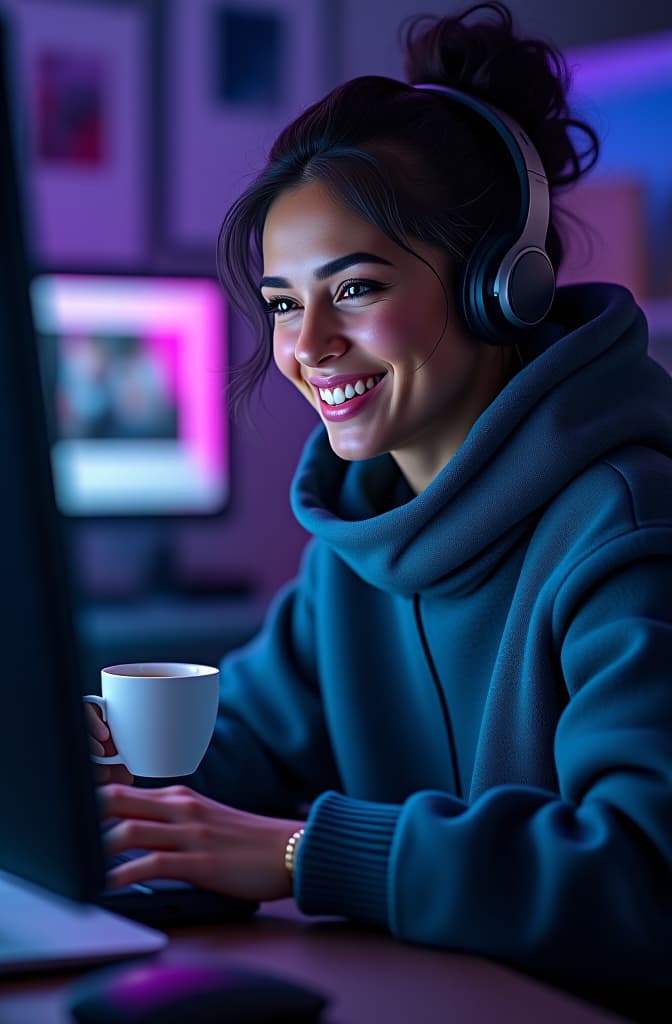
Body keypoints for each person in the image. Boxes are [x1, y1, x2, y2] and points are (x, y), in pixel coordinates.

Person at [91, 1, 672, 1010]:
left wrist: (303, 852)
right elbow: (244, 751)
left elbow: (645, 875)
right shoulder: (358, 543)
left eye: (353, 289)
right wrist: (88, 750)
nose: (306, 346)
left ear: (503, 287)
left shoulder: (627, 531)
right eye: (281, 303)